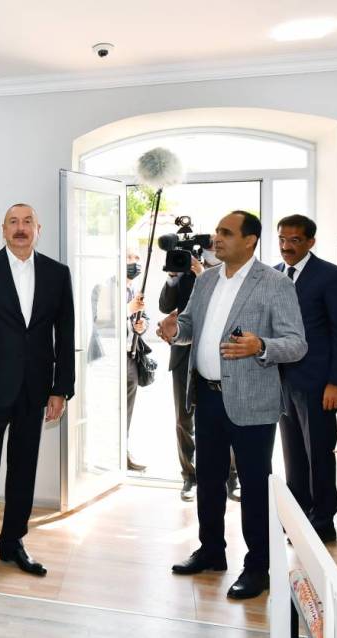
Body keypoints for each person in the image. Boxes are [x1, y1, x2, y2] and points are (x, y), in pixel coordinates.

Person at [157, 211, 306, 600]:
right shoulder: (206, 280)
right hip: (206, 396)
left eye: (226, 233)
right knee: (208, 480)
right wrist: (174, 330)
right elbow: (189, 327)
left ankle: (258, 568)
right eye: (217, 232)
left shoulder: (274, 283)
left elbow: (296, 343)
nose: (217, 239)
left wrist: (261, 345)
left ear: (250, 240)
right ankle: (211, 551)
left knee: (255, 487)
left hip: (252, 401)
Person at [0, 203, 75, 586]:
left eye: (27, 222)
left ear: (38, 229)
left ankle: (12, 543)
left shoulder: (57, 274)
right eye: (13, 222)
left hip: (35, 389)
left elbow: (66, 334)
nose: (20, 228)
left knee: (23, 470)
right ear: (3, 229)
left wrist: (61, 389)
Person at [275, 214, 337, 543]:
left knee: (319, 455)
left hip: (319, 384)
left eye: (294, 240)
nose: (286, 246)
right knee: (293, 456)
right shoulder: (274, 275)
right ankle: (298, 519)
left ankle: (322, 522)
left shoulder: (330, 276)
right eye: (282, 239)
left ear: (310, 242)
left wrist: (336, 381)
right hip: (282, 382)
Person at [160, 254, 241, 502]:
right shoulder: (182, 272)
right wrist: (173, 277)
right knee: (184, 420)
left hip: (219, 357)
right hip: (183, 356)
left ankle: (232, 477)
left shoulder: (228, 273)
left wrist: (201, 275)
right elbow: (165, 306)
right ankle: (190, 476)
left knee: (229, 418)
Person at [124, 250, 149, 471]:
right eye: (129, 258)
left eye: (136, 258)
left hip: (131, 357)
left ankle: (123, 453)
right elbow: (101, 321)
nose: (134, 263)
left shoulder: (136, 291)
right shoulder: (106, 287)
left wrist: (142, 326)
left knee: (127, 409)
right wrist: (127, 310)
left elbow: (144, 318)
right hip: (110, 360)